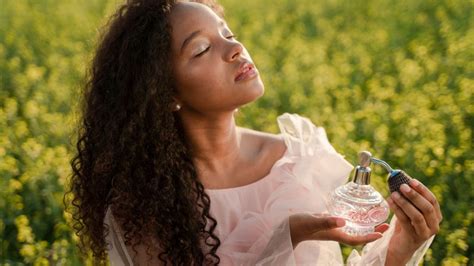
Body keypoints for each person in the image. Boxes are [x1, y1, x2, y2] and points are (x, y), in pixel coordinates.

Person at [67, 0, 442, 265]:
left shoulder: (298, 161)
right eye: (201, 49)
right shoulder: (144, 200)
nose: (234, 48)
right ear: (163, 93)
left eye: (227, 32)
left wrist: (398, 251)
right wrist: (286, 238)